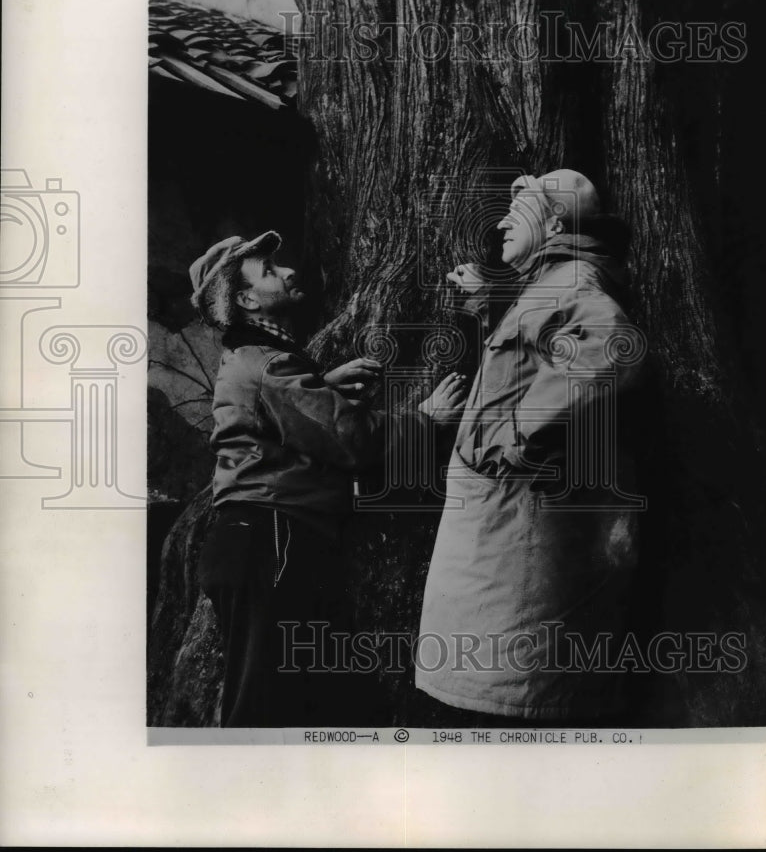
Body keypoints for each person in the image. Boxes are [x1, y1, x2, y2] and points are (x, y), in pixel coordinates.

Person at [189, 230, 466, 727]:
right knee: (265, 705)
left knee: (309, 694)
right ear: (248, 300)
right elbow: (350, 441)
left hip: (254, 541)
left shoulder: (252, 360)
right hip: (270, 540)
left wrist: (320, 387)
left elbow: (266, 414)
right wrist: (425, 420)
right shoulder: (270, 364)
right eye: (270, 271)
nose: (288, 271)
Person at [415, 169, 646, 725]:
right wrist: (490, 310)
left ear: (555, 221)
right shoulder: (553, 283)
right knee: (485, 689)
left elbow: (607, 355)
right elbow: (532, 361)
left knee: (501, 705)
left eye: (517, 212)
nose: (499, 222)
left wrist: (514, 440)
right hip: (496, 536)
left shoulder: (572, 284)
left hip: (513, 540)